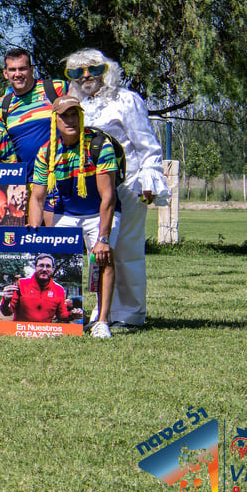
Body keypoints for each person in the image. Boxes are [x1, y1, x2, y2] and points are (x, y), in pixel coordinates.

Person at [66, 47, 164, 329]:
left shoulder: (126, 100)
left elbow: (146, 143)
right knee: (98, 251)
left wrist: (149, 177)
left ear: (106, 71)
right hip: (92, 189)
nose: (86, 77)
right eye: (78, 72)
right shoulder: (75, 104)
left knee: (126, 250)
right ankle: (101, 313)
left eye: (93, 69)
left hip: (127, 185)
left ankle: (130, 314)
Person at [26, 95, 119, 337]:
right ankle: (63, 318)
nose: (69, 120)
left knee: (103, 258)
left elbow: (108, 197)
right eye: (64, 115)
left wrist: (103, 238)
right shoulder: (46, 151)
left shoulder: (99, 145)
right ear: (54, 120)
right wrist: (35, 234)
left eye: (74, 114)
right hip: (66, 212)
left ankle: (102, 321)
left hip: (99, 211)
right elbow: (37, 198)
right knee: (53, 258)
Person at [0, 49, 72, 170]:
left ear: (31, 70)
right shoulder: (3, 105)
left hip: (62, 174)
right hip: (27, 178)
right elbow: (2, 144)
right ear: (5, 74)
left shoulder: (56, 88)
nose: (18, 74)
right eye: (12, 70)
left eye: (22, 68)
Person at [0, 253, 81, 324]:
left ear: (53, 269)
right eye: (41, 265)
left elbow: (61, 315)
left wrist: (72, 315)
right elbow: (7, 312)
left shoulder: (59, 290)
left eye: (48, 266)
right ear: (35, 267)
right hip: (21, 331)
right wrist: (6, 301)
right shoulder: (21, 284)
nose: (44, 269)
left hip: (44, 333)